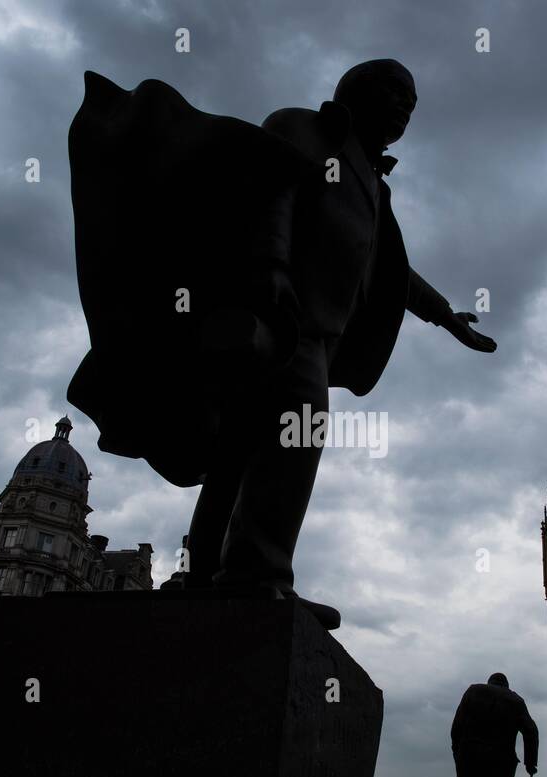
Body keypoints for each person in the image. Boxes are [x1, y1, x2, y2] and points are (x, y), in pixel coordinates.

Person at [68, 60, 496, 630]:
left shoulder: (372, 181)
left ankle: (206, 575)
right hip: (277, 317)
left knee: (239, 454)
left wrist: (445, 316)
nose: (404, 109)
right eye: (395, 93)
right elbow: (266, 183)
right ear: (355, 90)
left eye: (412, 105)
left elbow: (393, 273)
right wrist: (268, 263)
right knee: (297, 431)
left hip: (318, 336)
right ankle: (257, 575)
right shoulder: (303, 128)